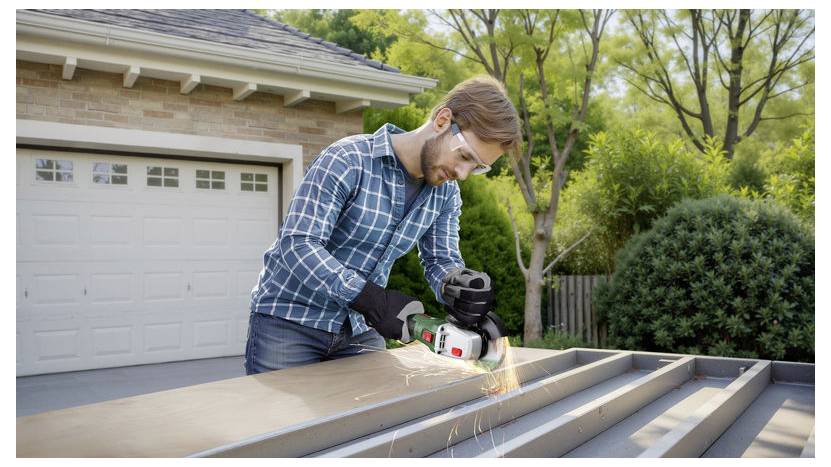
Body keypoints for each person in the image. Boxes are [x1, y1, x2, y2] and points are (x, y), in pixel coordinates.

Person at [244, 76, 522, 374]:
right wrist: (369, 298)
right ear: (443, 120)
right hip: (289, 322)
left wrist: (457, 285)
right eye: (465, 156)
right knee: (287, 421)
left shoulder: (446, 194)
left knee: (372, 419)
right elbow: (298, 245)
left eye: (477, 167)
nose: (463, 173)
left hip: (360, 329)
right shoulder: (349, 160)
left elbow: (440, 259)